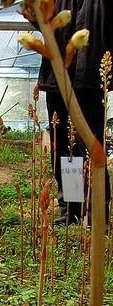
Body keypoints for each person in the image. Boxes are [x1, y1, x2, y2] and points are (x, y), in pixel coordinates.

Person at [36, 0, 113, 225]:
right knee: (64, 149)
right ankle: (71, 208)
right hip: (57, 78)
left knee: (91, 147)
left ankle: (96, 212)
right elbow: (43, 22)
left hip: (89, 79)